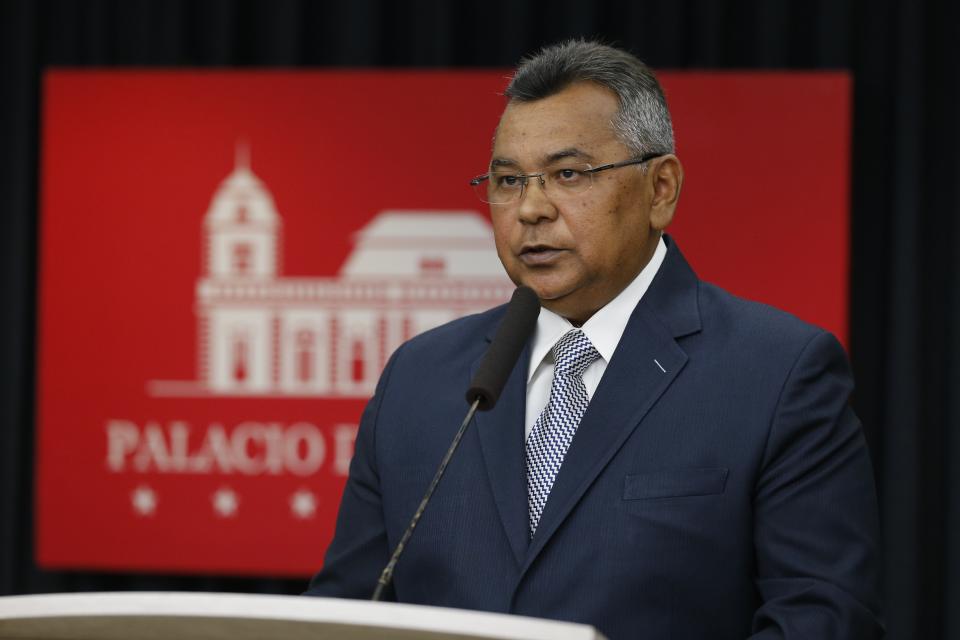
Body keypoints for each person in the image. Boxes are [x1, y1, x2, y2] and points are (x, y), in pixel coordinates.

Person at [305, 39, 883, 639]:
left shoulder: (778, 373)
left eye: (567, 174)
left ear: (660, 189)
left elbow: (824, 622)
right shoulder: (419, 379)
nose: (530, 208)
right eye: (507, 181)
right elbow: (346, 611)